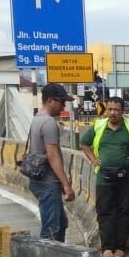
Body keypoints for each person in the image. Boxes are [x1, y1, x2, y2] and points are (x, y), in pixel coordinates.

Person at [79, 94, 129, 257]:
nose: (112, 113)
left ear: (122, 112)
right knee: (105, 212)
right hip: (104, 179)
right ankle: (107, 248)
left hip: (127, 177)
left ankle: (120, 247)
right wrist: (93, 158)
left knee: (125, 211)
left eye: (116, 110)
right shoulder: (99, 126)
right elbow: (84, 143)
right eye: (110, 109)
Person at [28, 83, 76, 241]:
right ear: (50, 101)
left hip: (40, 180)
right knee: (51, 229)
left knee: (61, 223)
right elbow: (52, 156)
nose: (63, 106)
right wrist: (66, 184)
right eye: (61, 101)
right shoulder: (48, 123)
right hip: (48, 182)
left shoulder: (37, 119)